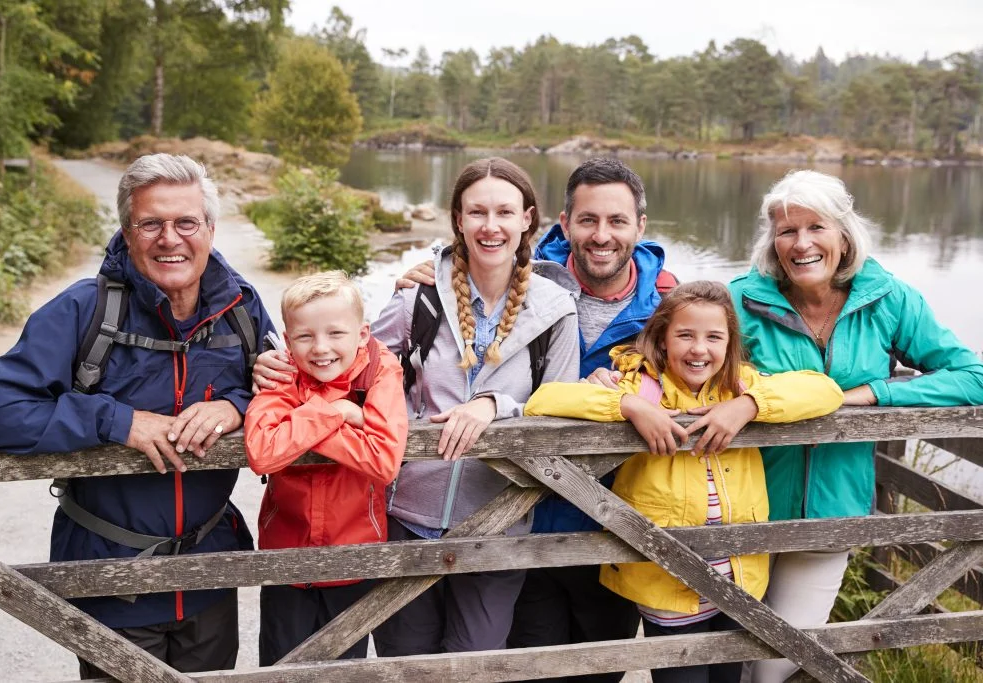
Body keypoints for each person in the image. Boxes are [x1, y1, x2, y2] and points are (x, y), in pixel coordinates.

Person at [0, 153, 275, 677]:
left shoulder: (240, 309)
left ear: (210, 230)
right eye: (151, 223)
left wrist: (235, 407)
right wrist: (113, 420)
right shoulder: (83, 311)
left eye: (185, 223)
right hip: (111, 578)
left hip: (210, 573)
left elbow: (287, 392)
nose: (169, 238)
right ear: (128, 232)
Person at [389, 157, 676, 680]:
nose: (602, 234)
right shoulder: (427, 296)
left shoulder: (665, 306)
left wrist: (496, 404)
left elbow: (557, 399)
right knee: (434, 665)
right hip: (476, 512)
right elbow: (361, 368)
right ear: (560, 224)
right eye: (588, 219)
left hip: (604, 522)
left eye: (617, 220)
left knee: (577, 667)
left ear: (640, 225)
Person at [727, 169, 983, 682]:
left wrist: (874, 394)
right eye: (786, 231)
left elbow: (971, 376)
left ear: (844, 234)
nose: (801, 244)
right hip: (740, 511)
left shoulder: (888, 298)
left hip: (832, 515)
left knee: (779, 667)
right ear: (771, 240)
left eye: (815, 227)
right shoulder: (740, 301)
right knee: (725, 657)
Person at [535, 281, 843, 683]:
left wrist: (748, 406)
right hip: (669, 586)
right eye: (685, 335)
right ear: (662, 340)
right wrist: (627, 406)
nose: (699, 349)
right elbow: (544, 400)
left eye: (714, 337)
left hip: (738, 584)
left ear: (730, 343)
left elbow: (825, 389)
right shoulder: (639, 386)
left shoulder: (743, 386)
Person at [370, 156, 580, 655]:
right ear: (458, 221)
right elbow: (358, 373)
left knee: (475, 663)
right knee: (406, 667)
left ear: (528, 219)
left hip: (498, 523)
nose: (491, 227)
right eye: (477, 213)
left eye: (505, 212)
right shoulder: (416, 301)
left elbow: (563, 416)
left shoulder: (555, 311)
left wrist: (495, 405)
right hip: (404, 519)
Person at [244, 271, 408, 664]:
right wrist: (332, 412)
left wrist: (300, 423)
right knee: (281, 668)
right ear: (287, 341)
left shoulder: (380, 371)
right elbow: (262, 452)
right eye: (305, 336)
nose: (321, 349)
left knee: (344, 667)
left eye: (336, 333)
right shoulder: (283, 373)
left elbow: (384, 460)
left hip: (354, 554)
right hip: (287, 555)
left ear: (362, 333)